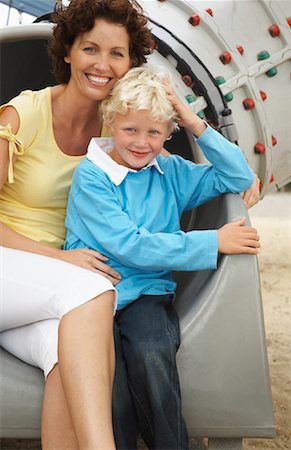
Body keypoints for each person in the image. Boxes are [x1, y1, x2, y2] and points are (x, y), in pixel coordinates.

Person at [64, 66, 261, 449]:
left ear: (169, 133)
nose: (142, 142)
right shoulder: (92, 177)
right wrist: (210, 243)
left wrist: (193, 121)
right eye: (131, 130)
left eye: (154, 132)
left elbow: (237, 176)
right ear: (110, 123)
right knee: (112, 384)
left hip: (147, 293)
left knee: (151, 353)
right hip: (93, 296)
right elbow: (129, 244)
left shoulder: (169, 171)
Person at [0, 1, 153, 449]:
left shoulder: (121, 132)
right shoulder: (21, 115)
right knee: (94, 290)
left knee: (70, 365)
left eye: (117, 54)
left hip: (37, 295)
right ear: (68, 50)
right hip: (13, 267)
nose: (102, 65)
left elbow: (185, 175)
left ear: (130, 64)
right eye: (90, 49)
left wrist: (239, 180)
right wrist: (61, 259)